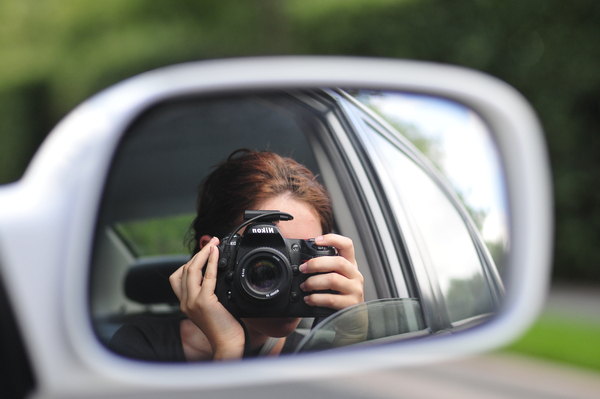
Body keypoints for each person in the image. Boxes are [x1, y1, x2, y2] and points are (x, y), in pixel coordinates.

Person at [109, 149, 364, 361]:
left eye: (301, 257)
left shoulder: (323, 354)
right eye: (264, 258)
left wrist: (352, 338)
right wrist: (228, 349)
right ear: (211, 254)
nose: (285, 274)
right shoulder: (140, 350)